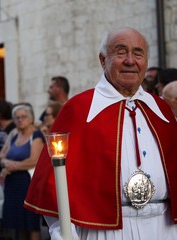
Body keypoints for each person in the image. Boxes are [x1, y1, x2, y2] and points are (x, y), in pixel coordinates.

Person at [24, 27, 177, 240]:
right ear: (103, 59)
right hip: (104, 231)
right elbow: (54, 188)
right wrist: (65, 235)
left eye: (138, 53)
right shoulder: (79, 109)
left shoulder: (161, 110)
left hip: (165, 228)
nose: (130, 61)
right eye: (121, 52)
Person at [0, 103, 45, 240]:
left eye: (23, 117)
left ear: (30, 118)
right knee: (18, 223)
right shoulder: (13, 134)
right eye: (16, 117)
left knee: (31, 223)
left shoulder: (36, 136)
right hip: (12, 184)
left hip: (28, 184)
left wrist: (14, 166)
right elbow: (1, 155)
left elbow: (35, 160)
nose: (20, 120)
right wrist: (6, 162)